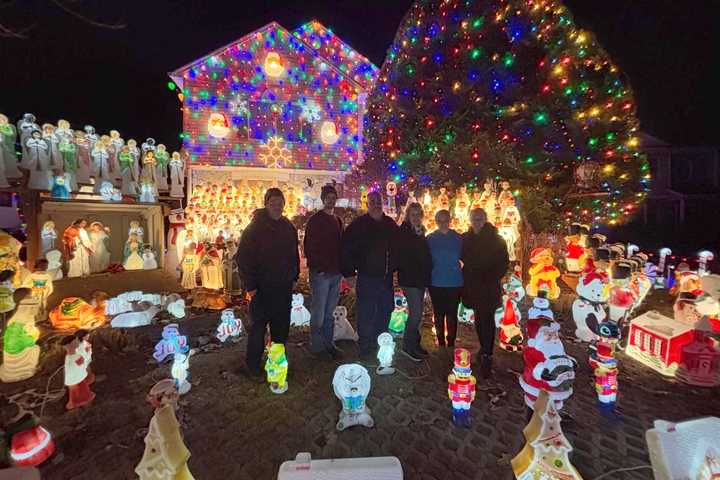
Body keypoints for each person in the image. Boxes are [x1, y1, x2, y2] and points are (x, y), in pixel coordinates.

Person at [236, 188, 299, 377]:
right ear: (266, 203)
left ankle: (277, 361)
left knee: (280, 328)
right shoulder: (254, 228)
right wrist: (251, 286)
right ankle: (253, 365)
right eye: (273, 203)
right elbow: (244, 258)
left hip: (282, 287)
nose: (277, 207)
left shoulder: (288, 227)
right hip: (261, 289)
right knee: (258, 328)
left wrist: (294, 276)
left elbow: (294, 255)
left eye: (280, 203)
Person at [341, 190, 398, 358]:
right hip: (366, 276)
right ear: (367, 204)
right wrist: (349, 272)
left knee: (385, 309)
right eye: (372, 202)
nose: (376, 204)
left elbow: (399, 247)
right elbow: (346, 249)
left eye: (378, 201)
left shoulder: (389, 224)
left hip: (385, 277)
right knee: (366, 311)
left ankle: (380, 340)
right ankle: (365, 344)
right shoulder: (358, 225)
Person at [461, 208, 509, 378]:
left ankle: (488, 354)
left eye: (480, 218)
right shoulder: (466, 238)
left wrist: (489, 276)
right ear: (470, 219)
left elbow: (503, 263)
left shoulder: (497, 239)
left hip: (488, 287)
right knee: (479, 319)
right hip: (473, 286)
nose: (477, 221)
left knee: (487, 320)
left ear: (485, 219)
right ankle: (483, 348)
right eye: (474, 218)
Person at [304, 184, 344, 359]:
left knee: (330, 312)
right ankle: (317, 346)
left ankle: (329, 343)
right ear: (322, 199)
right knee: (319, 312)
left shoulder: (338, 220)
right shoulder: (316, 220)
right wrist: (317, 267)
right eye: (328, 197)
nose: (331, 199)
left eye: (333, 197)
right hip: (321, 273)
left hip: (336, 272)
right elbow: (309, 246)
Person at [396, 203, 432, 361]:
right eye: (413, 214)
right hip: (409, 278)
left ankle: (415, 344)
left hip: (420, 278)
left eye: (418, 214)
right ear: (408, 216)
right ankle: (407, 346)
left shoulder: (420, 231)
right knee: (415, 313)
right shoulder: (404, 232)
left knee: (418, 313)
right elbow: (407, 255)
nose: (416, 217)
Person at [427, 209, 464, 348]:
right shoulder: (430, 239)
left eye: (445, 220)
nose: (443, 224)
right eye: (440, 221)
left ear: (450, 221)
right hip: (436, 281)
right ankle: (441, 342)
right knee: (438, 314)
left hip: (454, 282)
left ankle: (451, 342)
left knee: (452, 314)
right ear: (436, 221)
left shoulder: (459, 239)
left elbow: (467, 257)